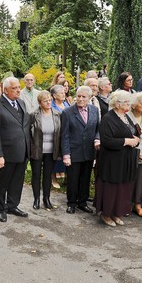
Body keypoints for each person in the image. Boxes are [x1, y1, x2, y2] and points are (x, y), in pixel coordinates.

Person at [0, 76, 31, 223]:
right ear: (5, 90)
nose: (18, 90)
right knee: (3, 182)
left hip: (22, 150)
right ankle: (1, 209)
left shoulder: (22, 103)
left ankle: (12, 205)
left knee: (17, 181)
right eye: (14, 88)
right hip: (6, 153)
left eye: (19, 87)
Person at [95, 90, 140, 226]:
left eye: (128, 101)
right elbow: (107, 140)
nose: (129, 104)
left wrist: (136, 139)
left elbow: (133, 132)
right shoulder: (108, 118)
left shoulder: (126, 116)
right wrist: (126, 141)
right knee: (112, 187)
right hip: (112, 160)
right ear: (117, 104)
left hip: (126, 158)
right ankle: (106, 214)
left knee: (123, 186)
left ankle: (117, 213)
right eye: (126, 102)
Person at [60, 85, 100, 213]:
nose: (80, 99)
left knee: (85, 178)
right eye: (78, 96)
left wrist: (97, 138)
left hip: (89, 151)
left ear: (89, 98)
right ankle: (71, 203)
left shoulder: (94, 110)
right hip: (74, 151)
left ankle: (82, 202)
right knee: (73, 179)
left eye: (83, 97)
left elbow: (98, 128)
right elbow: (64, 135)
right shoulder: (68, 112)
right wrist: (66, 155)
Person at [30, 90, 61, 210]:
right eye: (45, 101)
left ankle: (46, 198)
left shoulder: (58, 114)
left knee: (48, 175)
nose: (48, 102)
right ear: (39, 102)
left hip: (51, 150)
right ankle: (36, 198)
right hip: (37, 150)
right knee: (36, 174)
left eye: (50, 100)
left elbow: (60, 133)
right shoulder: (33, 115)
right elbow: (29, 133)